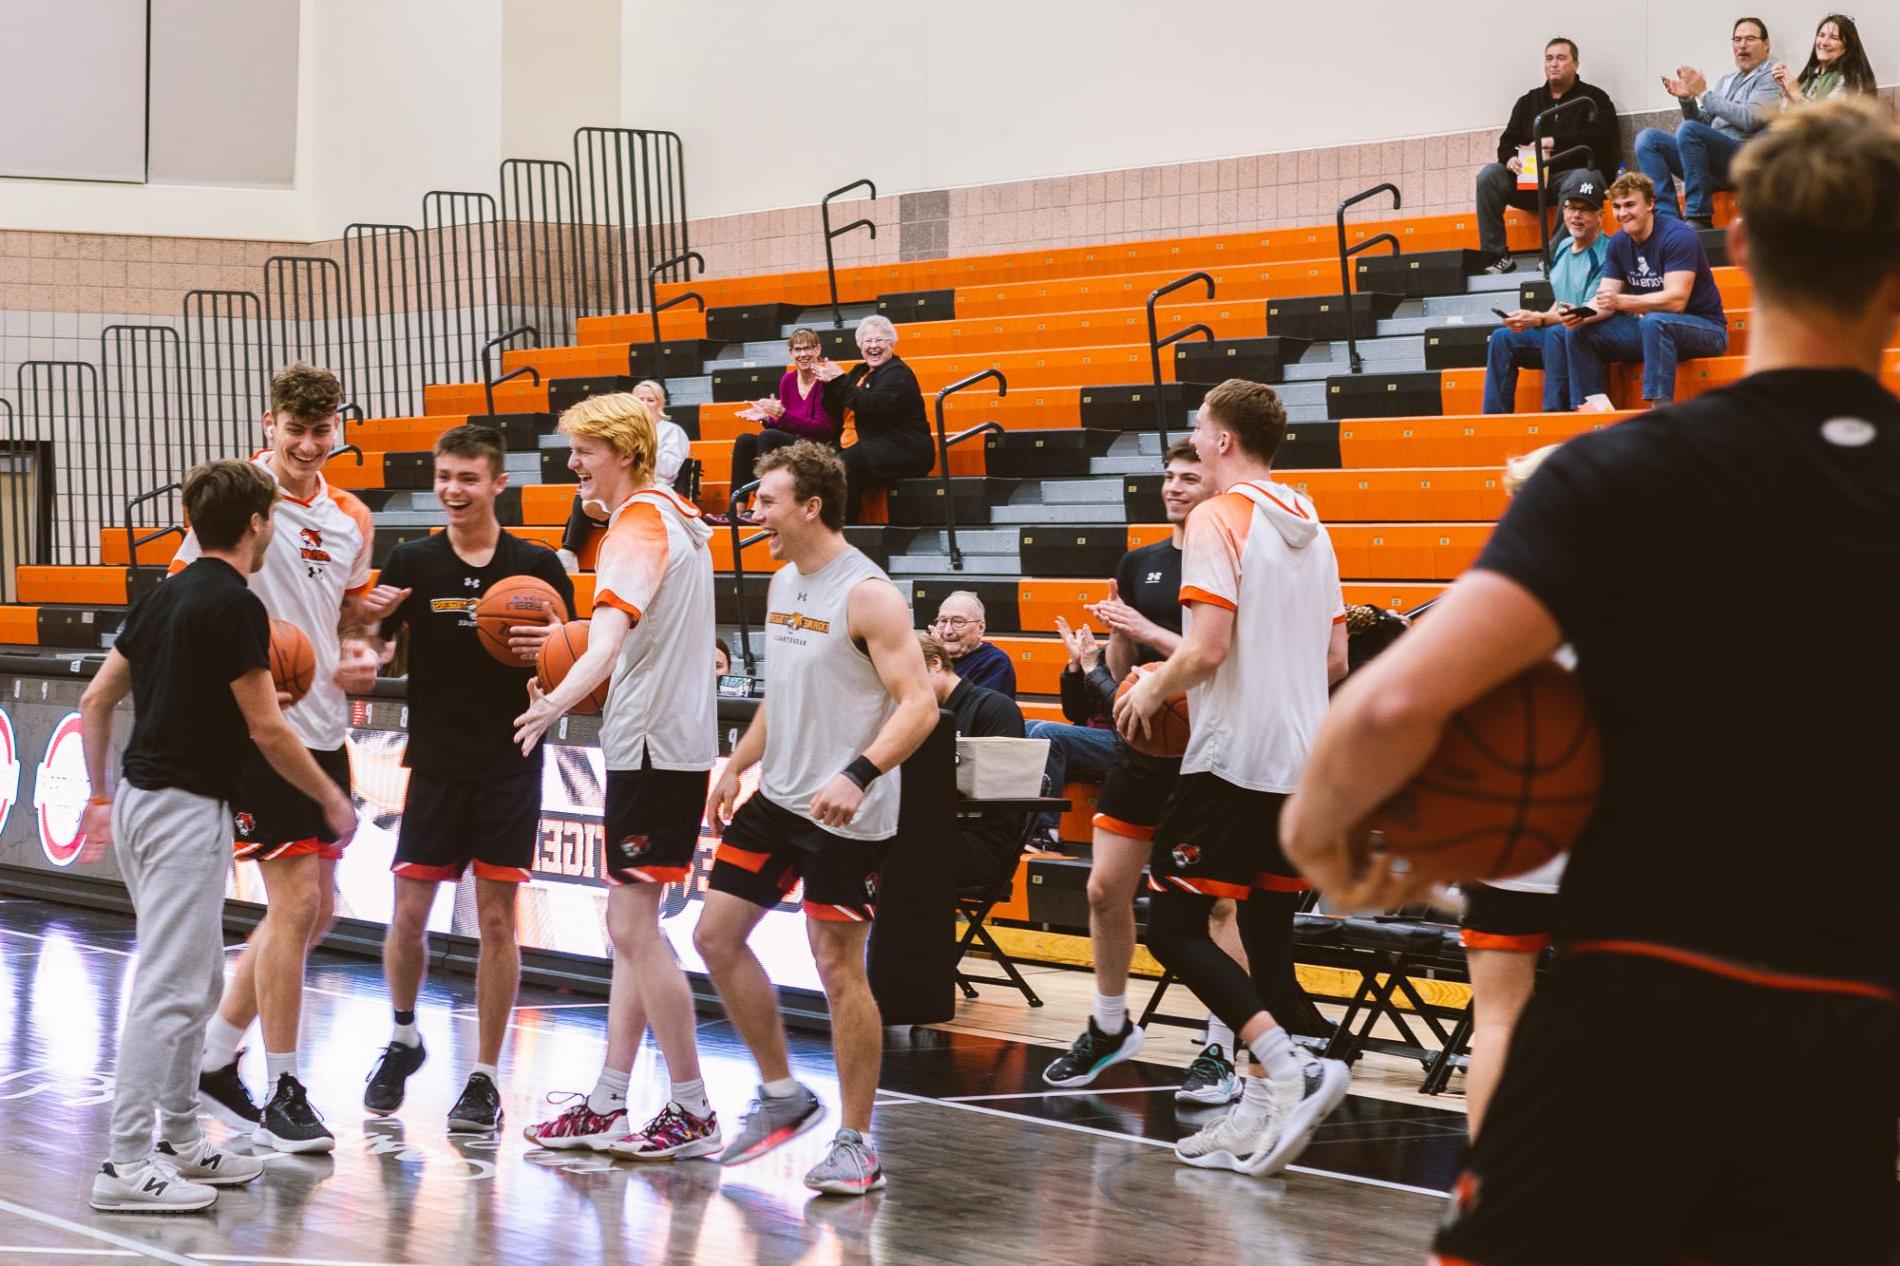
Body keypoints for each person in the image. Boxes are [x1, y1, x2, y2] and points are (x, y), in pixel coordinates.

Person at [1285, 100, 1900, 1266]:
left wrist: (1329, 838)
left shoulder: (1619, 472)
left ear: (1738, 248)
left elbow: (1392, 703)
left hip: (1630, 1008)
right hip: (1850, 1031)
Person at [78, 460, 358, 1212]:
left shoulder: (165, 593)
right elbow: (269, 728)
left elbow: (97, 697)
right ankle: (124, 1164)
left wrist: (101, 794)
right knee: (171, 988)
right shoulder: (235, 604)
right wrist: (330, 795)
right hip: (180, 808)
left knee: (199, 979)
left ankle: (177, 1139)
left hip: (141, 798)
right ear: (258, 523)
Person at [1113, 379, 1351, 1177]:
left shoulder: (1219, 517)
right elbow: (1335, 660)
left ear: (1220, 441)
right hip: (1302, 761)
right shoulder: (1313, 524)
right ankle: (1256, 1113)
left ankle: (1293, 1067)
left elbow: (1206, 649)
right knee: (1263, 938)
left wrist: (1151, 685)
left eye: (1197, 432)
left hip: (1234, 757)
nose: (1194, 443)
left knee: (1174, 928)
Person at [697, 441, 937, 1195]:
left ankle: (859, 1142)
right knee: (713, 935)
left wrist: (860, 772)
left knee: (838, 968)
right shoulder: (780, 582)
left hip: (847, 812)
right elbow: (786, 693)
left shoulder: (867, 594)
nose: (755, 513)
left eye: (767, 500)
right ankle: (781, 1094)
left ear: (810, 506)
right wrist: (739, 761)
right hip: (779, 798)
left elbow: (920, 704)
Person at [186, 363, 396, 1153]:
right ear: (267, 423)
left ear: (337, 429)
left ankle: (212, 1056)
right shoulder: (239, 498)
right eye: (296, 429)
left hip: (322, 723)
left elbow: (345, 616)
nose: (310, 444)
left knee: (319, 909)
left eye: (323, 430)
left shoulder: (352, 516)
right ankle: (284, 1089)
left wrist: (361, 644)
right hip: (254, 724)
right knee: (297, 902)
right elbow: (191, 588)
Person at [512, 392, 722, 1160]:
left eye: (583, 452)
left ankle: (693, 1108)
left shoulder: (636, 524)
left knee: (630, 927)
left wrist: (550, 709)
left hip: (653, 748)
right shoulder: (677, 515)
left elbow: (600, 647)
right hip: (670, 743)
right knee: (632, 929)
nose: (571, 465)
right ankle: (608, 1100)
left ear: (624, 454)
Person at [359, 424, 573, 1133]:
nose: (452, 490)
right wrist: (363, 625)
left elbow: (574, 665)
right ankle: (400, 1034)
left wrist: (552, 661)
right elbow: (372, 657)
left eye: (467, 479)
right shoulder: (411, 558)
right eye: (444, 476)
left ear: (498, 483)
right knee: (409, 917)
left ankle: (483, 1076)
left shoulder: (538, 566)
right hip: (436, 765)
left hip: (511, 764)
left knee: (495, 924)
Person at [1041, 439, 1261, 1105]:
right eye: (1168, 475)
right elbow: (1122, 668)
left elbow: (1219, 655)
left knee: (1215, 905)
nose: (1174, 486)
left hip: (1210, 755)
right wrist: (1106, 652)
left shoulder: (1231, 556)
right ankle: (1110, 1026)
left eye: (1189, 476)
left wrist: (1144, 628)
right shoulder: (1139, 562)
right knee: (1105, 891)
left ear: (1213, 482)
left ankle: (1220, 1050)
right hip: (1142, 749)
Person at [1453, 444, 1567, 1137]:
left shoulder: (1487, 593)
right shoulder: (1639, 590)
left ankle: (1487, 1195)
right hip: (1600, 831)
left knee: (1496, 1016)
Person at [1560, 171, 1728, 409]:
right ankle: (1594, 413)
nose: (1622, 213)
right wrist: (1581, 313)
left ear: (1650, 204)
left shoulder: (1678, 236)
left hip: (1705, 329)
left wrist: (1621, 302)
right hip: (1653, 329)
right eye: (1617, 206)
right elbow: (1606, 299)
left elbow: (1676, 301)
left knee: (1654, 321)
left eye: (1630, 204)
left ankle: (1660, 412)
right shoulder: (1619, 242)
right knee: (1578, 333)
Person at [1473, 38, 1619, 273]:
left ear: (1576, 64)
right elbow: (1506, 143)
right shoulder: (1528, 101)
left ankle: (1552, 255)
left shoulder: (1594, 98)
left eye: (1561, 58)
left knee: (1582, 178)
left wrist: (1554, 142)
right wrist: (1510, 158)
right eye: (1549, 59)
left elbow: (1602, 136)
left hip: (1573, 178)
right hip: (1532, 179)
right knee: (1488, 175)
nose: (1554, 64)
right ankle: (1495, 256)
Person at [1634, 17, 1780, 229]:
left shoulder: (1771, 76)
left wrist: (1703, 93)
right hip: (1709, 164)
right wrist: (1687, 99)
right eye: (1737, 39)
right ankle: (1668, 221)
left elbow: (1751, 119)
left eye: (1750, 39)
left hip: (1743, 161)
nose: (1742, 45)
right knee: (1647, 139)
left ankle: (1698, 216)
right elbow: (1698, 124)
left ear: (1766, 44)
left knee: (1689, 130)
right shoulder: (1726, 81)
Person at [1482, 177, 1609, 414]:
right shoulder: (1563, 247)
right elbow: (1561, 301)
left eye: (1585, 210)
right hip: (1560, 326)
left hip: (1586, 330)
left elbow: (1584, 312)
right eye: (1571, 207)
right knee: (1502, 338)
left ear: (1599, 215)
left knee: (1556, 333)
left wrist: (1539, 318)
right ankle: (1493, 418)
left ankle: (1554, 413)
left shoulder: (1607, 252)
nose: (1575, 216)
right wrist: (1528, 318)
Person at [917, 631, 1029, 890]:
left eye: (910, 677)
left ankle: (901, 931)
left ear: (935, 663)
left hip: (981, 841)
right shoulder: (916, 715)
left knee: (883, 848)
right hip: (930, 831)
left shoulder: (995, 708)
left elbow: (1001, 794)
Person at [558, 378, 691, 570]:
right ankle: (570, 547)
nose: (644, 404)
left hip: (656, 484)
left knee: (590, 482)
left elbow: (670, 469)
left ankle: (583, 533)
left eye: (650, 399)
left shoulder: (672, 431)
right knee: (586, 484)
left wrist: (645, 450)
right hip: (634, 494)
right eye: (639, 399)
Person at [815, 315, 933, 523]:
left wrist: (839, 381)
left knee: (842, 466)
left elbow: (874, 406)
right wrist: (829, 384)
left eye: (880, 340)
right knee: (814, 462)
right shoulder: (859, 371)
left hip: (900, 446)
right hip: (866, 442)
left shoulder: (898, 373)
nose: (873, 346)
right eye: (867, 341)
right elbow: (833, 409)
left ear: (892, 343)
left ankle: (843, 532)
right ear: (860, 346)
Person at [725, 328, 841, 514]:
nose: (803, 354)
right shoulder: (787, 380)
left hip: (820, 447)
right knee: (745, 440)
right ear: (790, 353)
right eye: (797, 349)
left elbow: (825, 430)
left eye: (808, 348)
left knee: (768, 437)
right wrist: (768, 419)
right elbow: (786, 424)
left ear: (818, 350)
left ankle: (760, 505)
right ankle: (737, 511)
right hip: (795, 442)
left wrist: (781, 417)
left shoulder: (826, 381)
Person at [1771, 14, 1876, 106]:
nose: (1824, 43)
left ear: (1848, 47)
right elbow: (1786, 116)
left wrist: (1795, 92)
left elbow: (1828, 121)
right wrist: (1786, 89)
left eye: (1834, 38)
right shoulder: (1810, 75)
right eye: (1821, 35)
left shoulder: (1850, 78)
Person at [929, 591, 1017, 696]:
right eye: (943, 621)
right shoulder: (929, 658)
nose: (947, 631)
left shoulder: (994, 662)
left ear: (980, 628)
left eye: (958, 622)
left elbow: (972, 710)